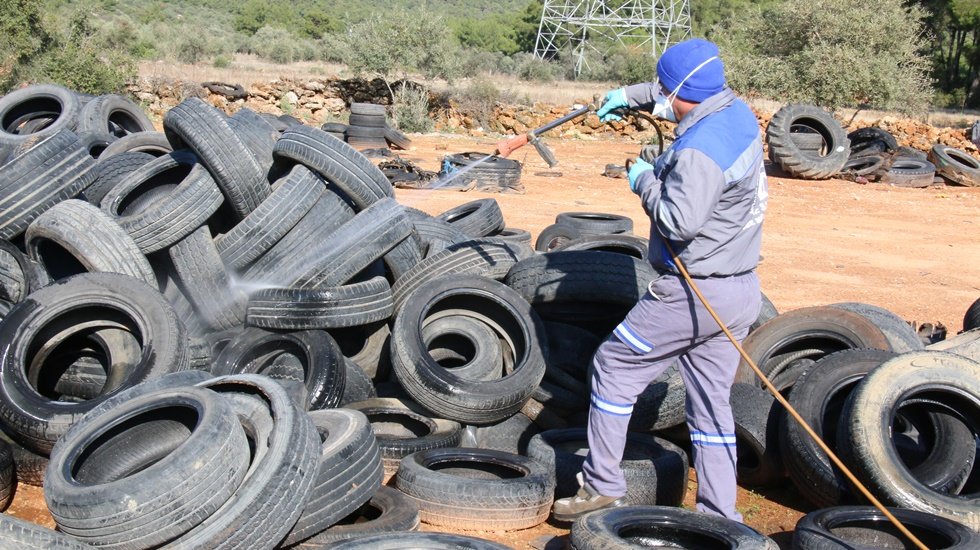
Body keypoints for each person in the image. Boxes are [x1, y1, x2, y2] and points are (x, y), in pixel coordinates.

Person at [551, 38, 768, 523]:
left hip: (692, 293)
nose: (661, 99)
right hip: (739, 290)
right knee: (711, 408)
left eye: (663, 92)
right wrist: (628, 95)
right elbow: (675, 89)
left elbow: (677, 221)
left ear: (679, 92)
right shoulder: (736, 115)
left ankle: (602, 486)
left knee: (613, 366)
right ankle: (720, 517)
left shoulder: (698, 150)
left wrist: (644, 180)